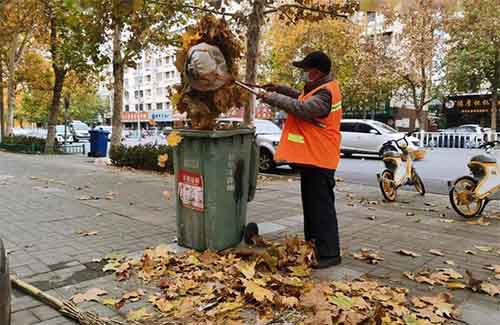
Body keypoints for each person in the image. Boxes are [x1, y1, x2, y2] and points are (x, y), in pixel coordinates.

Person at [257, 51, 342, 269]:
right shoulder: (318, 90)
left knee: (321, 210)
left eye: (306, 69)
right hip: (313, 158)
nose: (304, 73)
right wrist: (278, 89)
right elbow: (300, 98)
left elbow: (303, 108)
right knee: (313, 208)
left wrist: (271, 98)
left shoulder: (326, 94)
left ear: (316, 71)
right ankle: (314, 247)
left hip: (321, 158)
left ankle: (329, 254)